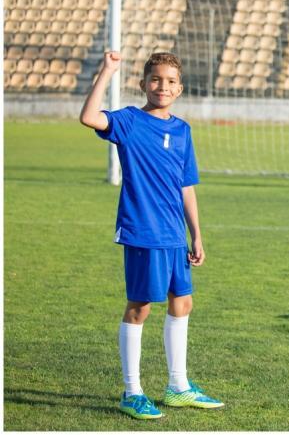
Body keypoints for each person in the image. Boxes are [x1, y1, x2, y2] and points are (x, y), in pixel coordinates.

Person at [79, 51, 223, 420]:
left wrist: (197, 235)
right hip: (143, 231)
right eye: (156, 79)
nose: (163, 86)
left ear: (180, 88)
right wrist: (108, 71)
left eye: (171, 81)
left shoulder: (182, 130)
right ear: (143, 84)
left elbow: (186, 186)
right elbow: (88, 117)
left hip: (175, 235)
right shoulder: (129, 121)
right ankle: (132, 392)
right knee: (140, 308)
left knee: (182, 303)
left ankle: (178, 387)